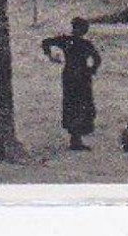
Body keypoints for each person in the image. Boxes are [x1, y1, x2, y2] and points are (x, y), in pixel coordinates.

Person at [42, 17, 102, 151]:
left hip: (70, 75)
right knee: (82, 105)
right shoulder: (86, 44)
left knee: (72, 105)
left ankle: (75, 138)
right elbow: (97, 59)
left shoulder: (66, 41)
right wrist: (91, 70)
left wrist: (50, 56)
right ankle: (77, 139)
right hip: (82, 77)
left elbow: (46, 42)